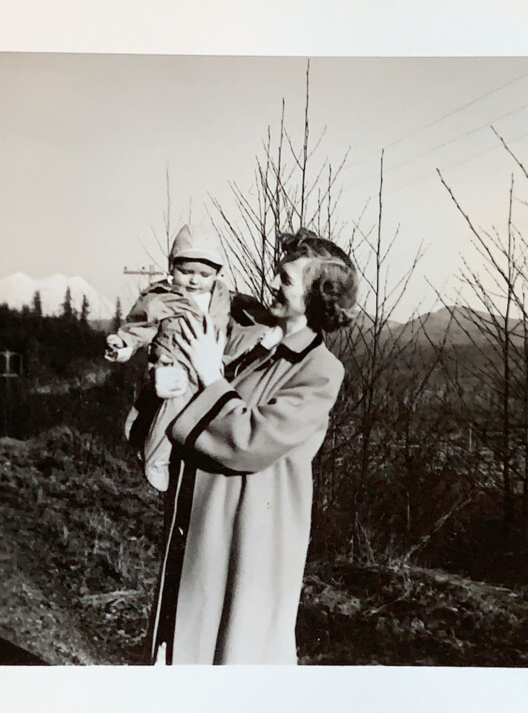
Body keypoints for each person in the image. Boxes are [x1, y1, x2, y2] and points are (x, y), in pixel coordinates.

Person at [145, 228, 358, 665]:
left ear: (316, 297)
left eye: (285, 279)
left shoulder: (320, 371)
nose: (272, 284)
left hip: (248, 542)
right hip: (200, 528)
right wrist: (160, 390)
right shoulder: (252, 343)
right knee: (181, 655)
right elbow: (190, 409)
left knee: (232, 662)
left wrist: (209, 377)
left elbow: (250, 440)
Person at [105, 224, 231, 492]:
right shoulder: (162, 298)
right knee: (174, 405)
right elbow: (141, 325)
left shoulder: (223, 299)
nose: (194, 280)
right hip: (176, 367)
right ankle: (156, 458)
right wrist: (124, 344)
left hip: (210, 369)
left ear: (218, 274)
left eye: (204, 274)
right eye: (185, 272)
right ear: (172, 268)